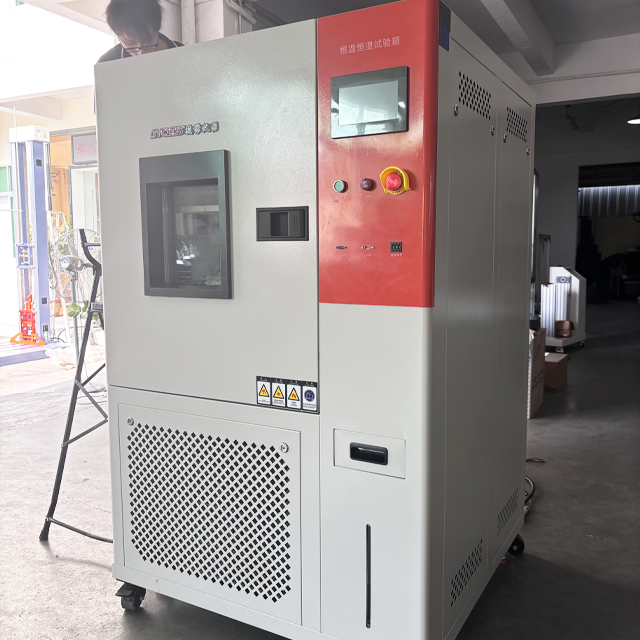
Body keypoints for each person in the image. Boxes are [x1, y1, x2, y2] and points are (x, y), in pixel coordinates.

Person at [98, 0, 182, 63]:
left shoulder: (182, 54)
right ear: (118, 36)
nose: (141, 52)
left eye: (148, 40)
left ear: (157, 29)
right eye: (130, 42)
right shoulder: (107, 64)